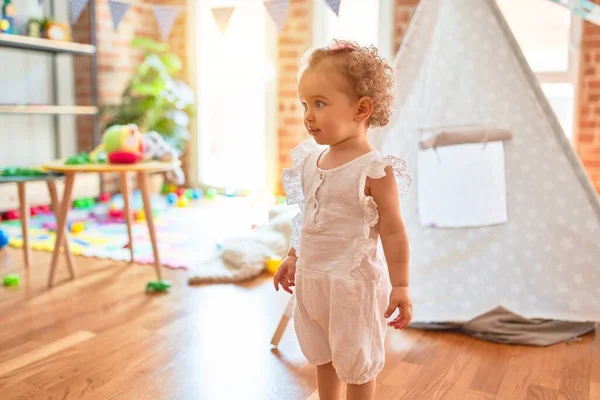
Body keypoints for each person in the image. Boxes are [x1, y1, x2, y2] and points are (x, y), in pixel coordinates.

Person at [273, 39, 413, 400]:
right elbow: (309, 217)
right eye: (305, 104)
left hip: (353, 288)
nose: (308, 115)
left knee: (356, 362)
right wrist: (292, 256)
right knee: (323, 354)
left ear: (361, 108)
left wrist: (401, 286)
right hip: (313, 280)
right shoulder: (310, 162)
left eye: (319, 104)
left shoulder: (373, 169)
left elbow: (393, 231)